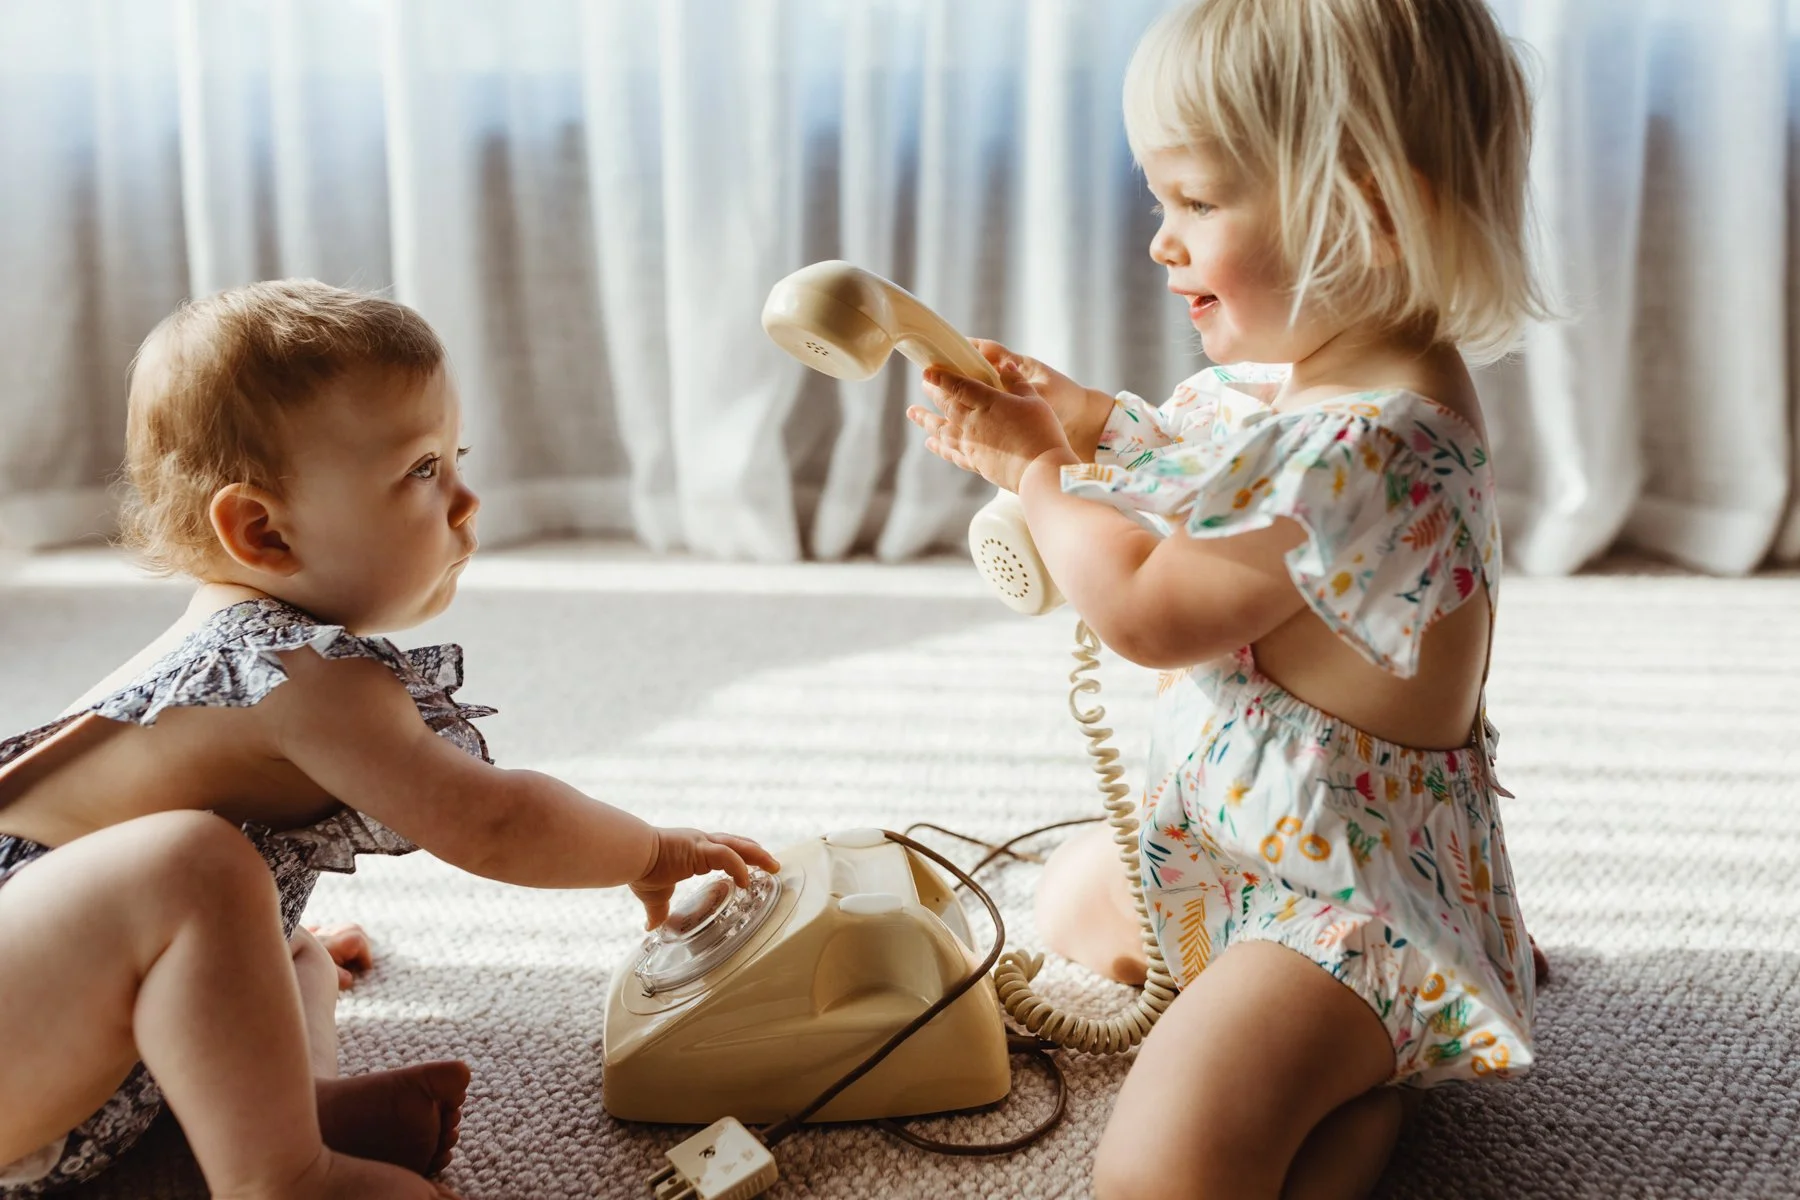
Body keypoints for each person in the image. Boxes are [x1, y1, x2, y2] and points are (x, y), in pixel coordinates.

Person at [908, 1, 1548, 1195]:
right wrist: (1087, 417)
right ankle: (1333, 1049)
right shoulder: (1306, 381)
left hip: (1339, 909)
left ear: (1364, 212)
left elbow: (1151, 608)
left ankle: (1375, 1074)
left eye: (1197, 204)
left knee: (1161, 1175)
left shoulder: (1371, 438)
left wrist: (1039, 472)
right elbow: (1193, 461)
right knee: (1063, 906)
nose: (1162, 241)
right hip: (1230, 843)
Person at [0, 280, 778, 1199]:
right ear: (263, 531)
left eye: (456, 457)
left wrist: (255, 940)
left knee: (281, 952)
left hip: (56, 1035)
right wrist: (648, 850)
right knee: (197, 868)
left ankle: (293, 1109)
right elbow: (492, 821)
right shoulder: (297, 672)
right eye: (420, 470)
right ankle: (286, 1174)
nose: (465, 498)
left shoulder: (261, 650)